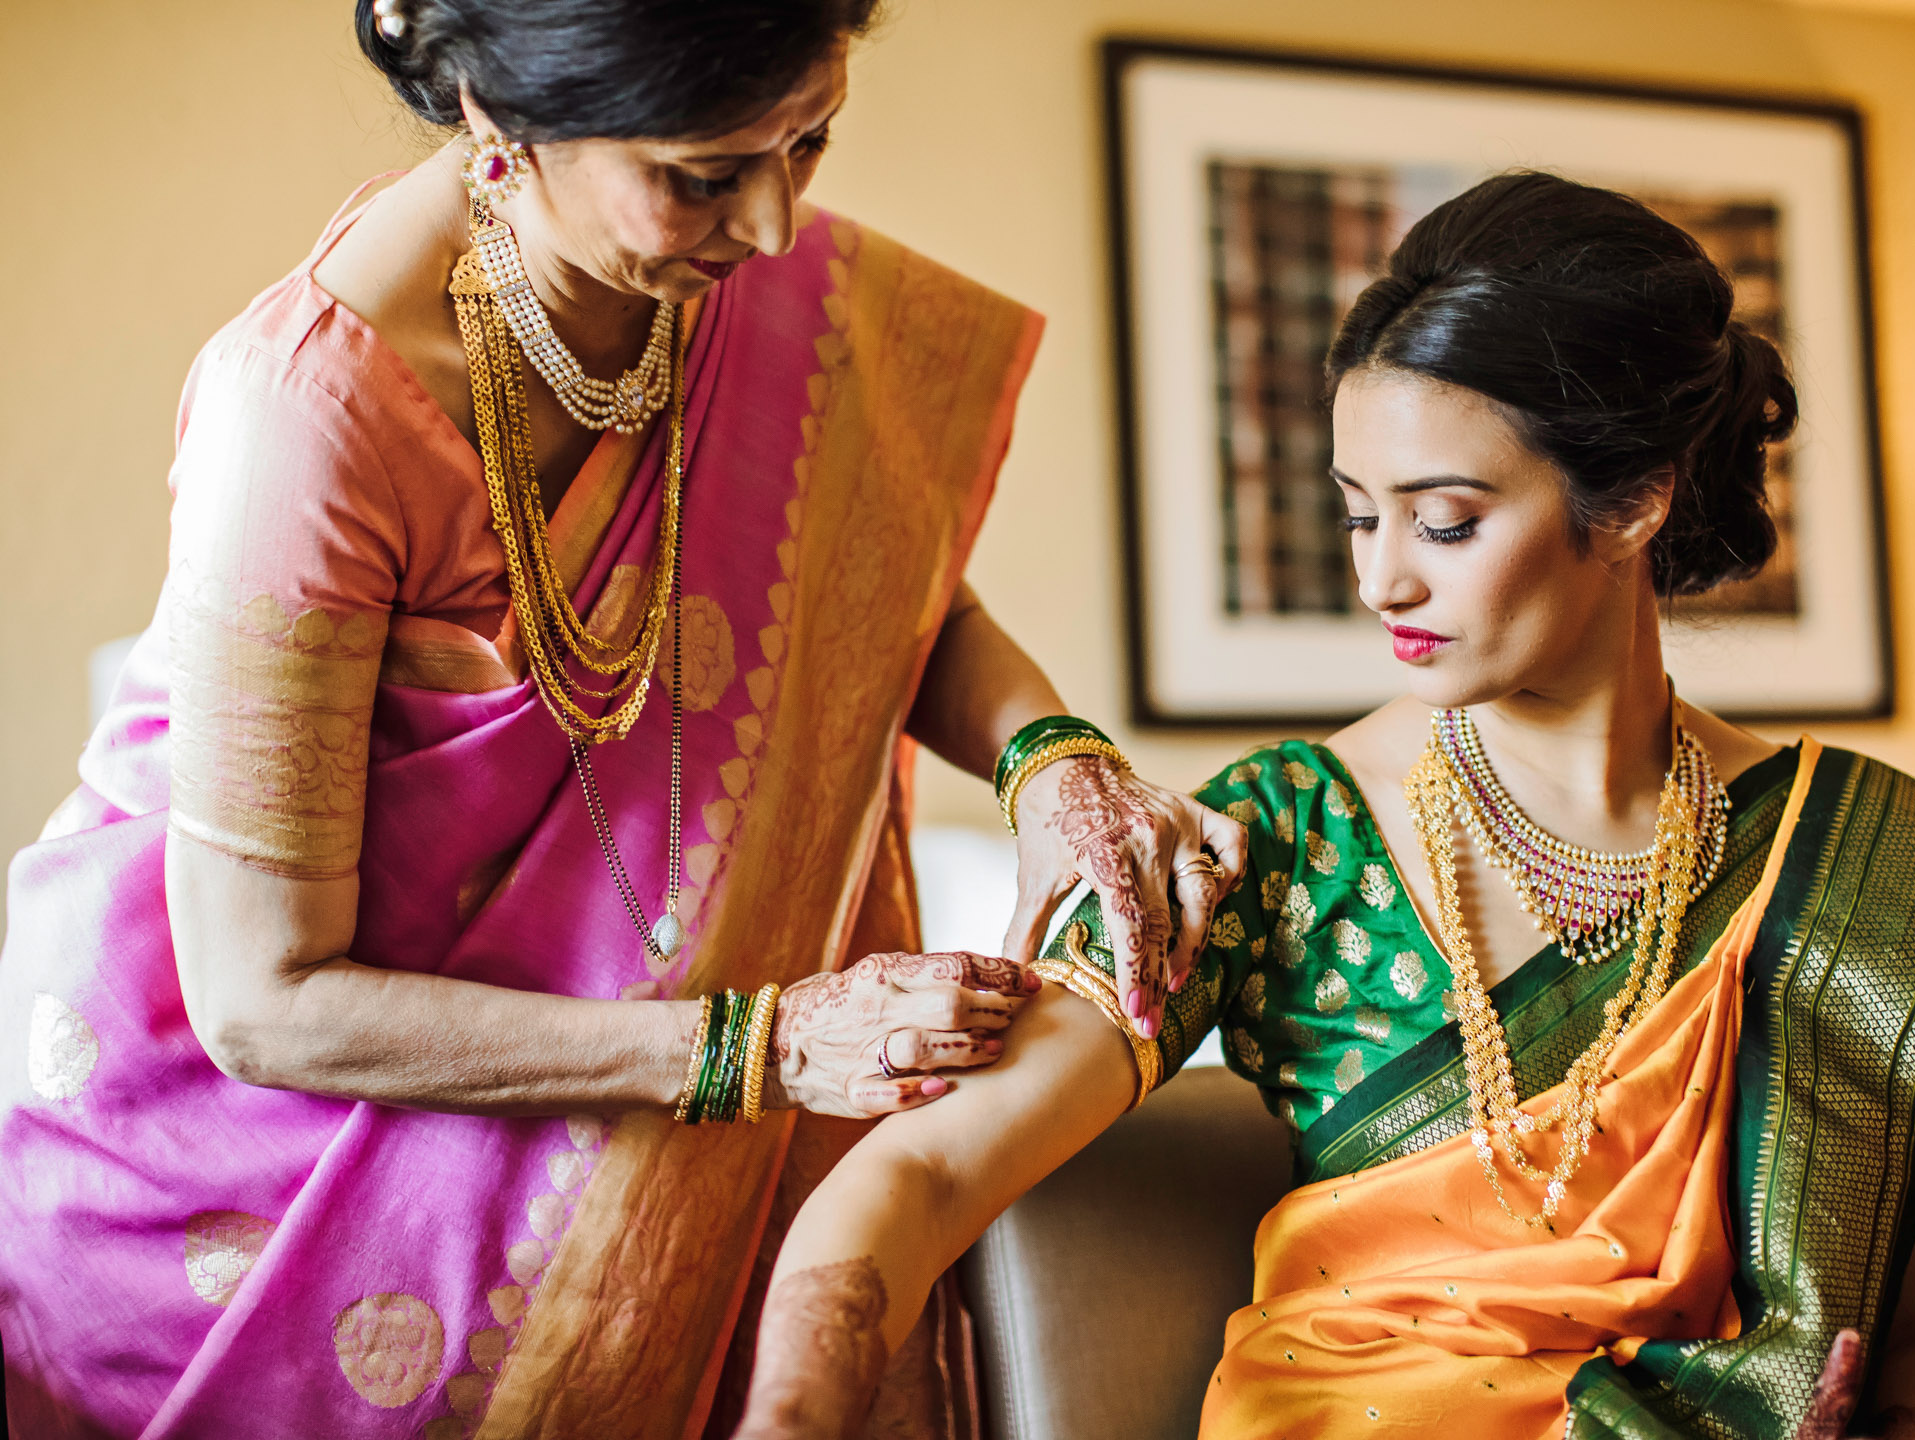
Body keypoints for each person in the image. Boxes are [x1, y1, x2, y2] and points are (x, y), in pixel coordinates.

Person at [0, 2, 1247, 1435]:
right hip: (256, 1206)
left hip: (636, 1100)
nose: (776, 226)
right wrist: (759, 1050)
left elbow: (889, 592)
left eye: (810, 140)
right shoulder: (306, 416)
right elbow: (262, 1001)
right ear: (497, 117)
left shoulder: (713, 291)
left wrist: (1052, 760)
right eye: (705, 174)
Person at [731, 174, 1915, 1440]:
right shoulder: (1275, 836)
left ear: (1632, 500)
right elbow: (930, 1167)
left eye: (1445, 523)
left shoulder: (1865, 864)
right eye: (1358, 519)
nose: (1382, 580)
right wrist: (792, 1414)